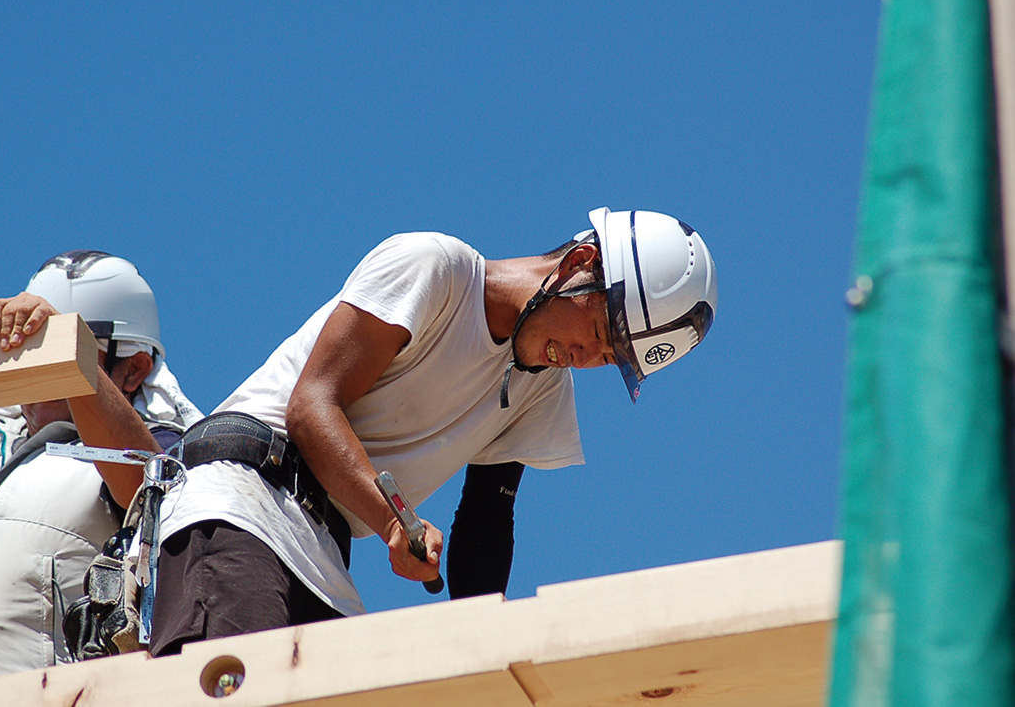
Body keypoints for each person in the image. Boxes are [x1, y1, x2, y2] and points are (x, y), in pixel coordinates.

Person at [149, 207, 717, 655]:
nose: (581, 354)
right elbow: (312, 405)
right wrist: (395, 522)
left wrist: (482, 650)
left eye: (606, 357)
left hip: (320, 551)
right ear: (578, 264)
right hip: (244, 504)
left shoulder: (540, 386)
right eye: (595, 329)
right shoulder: (435, 270)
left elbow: (486, 521)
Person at [0, 251, 204, 679]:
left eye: (57, 352)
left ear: (133, 370)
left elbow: (150, 497)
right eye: (30, 347)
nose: (41, 368)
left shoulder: (160, 450)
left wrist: (65, 348)